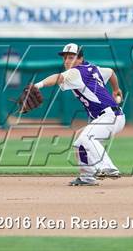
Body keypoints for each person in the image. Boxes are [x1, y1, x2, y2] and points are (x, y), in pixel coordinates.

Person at [34, 43, 125, 186]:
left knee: (88, 137)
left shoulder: (75, 72)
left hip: (110, 116)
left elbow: (57, 78)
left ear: (80, 59)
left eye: (71, 57)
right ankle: (87, 177)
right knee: (80, 143)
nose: (67, 61)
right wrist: (116, 89)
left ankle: (108, 167)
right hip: (111, 116)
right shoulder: (93, 68)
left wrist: (37, 85)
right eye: (65, 58)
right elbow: (111, 72)